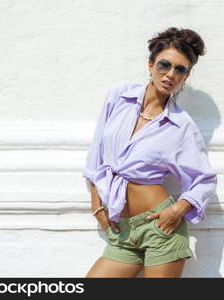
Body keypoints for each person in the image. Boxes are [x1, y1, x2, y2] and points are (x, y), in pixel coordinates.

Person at [83, 27, 217, 278]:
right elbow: (96, 155)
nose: (170, 75)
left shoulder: (181, 125)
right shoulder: (119, 96)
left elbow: (205, 180)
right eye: (164, 65)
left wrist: (177, 210)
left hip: (161, 229)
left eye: (180, 69)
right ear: (150, 64)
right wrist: (96, 205)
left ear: (186, 77)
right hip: (122, 230)